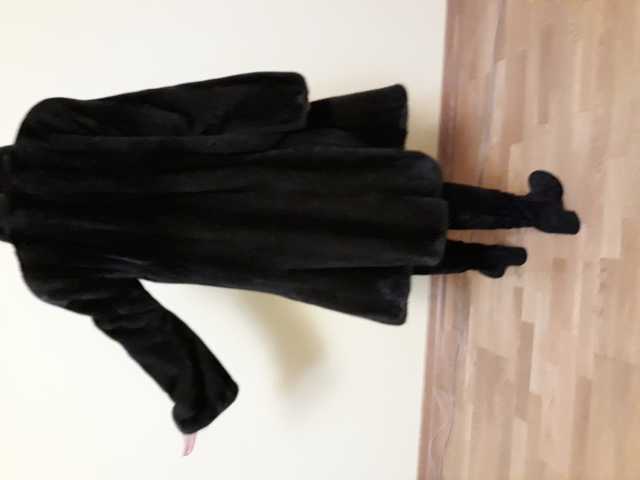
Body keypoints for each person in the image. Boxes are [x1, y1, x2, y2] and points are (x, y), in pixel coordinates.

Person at [0, 71, 580, 455]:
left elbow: (140, 325)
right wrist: (268, 106)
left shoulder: (48, 269)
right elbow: (174, 113)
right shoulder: (46, 132)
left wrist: (194, 402)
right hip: (259, 177)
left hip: (256, 254)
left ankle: (488, 258)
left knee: (370, 249)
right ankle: (535, 212)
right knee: (391, 200)